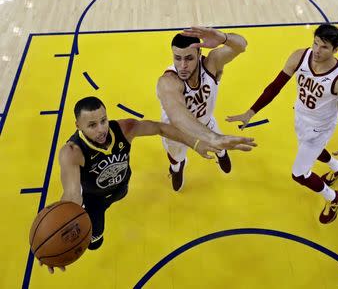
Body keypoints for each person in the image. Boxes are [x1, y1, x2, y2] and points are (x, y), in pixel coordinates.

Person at [40, 96, 226, 273]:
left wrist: (195, 143)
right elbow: (72, 194)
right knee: (94, 241)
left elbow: (161, 128)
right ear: (78, 126)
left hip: (120, 188)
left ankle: (172, 167)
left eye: (103, 120)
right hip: (94, 199)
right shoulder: (72, 152)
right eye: (92, 125)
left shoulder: (124, 129)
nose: (101, 130)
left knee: (121, 193)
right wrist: (54, 240)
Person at [227, 24, 338, 224]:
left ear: (336, 50)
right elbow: (275, 86)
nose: (317, 50)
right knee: (310, 151)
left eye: (324, 47)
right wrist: (250, 112)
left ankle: (334, 198)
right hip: (301, 116)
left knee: (299, 174)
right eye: (315, 43)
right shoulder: (300, 57)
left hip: (320, 127)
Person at [156, 26, 251, 191]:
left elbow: (242, 45)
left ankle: (220, 152)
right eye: (177, 58)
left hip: (206, 123)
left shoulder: (212, 63)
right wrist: (213, 138)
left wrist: (223, 37)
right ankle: (177, 168)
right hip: (177, 132)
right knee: (176, 158)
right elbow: (178, 117)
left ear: (199, 55)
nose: (182, 65)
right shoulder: (168, 81)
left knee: (220, 144)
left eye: (189, 58)